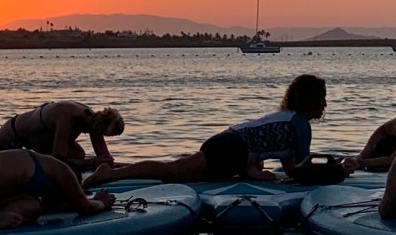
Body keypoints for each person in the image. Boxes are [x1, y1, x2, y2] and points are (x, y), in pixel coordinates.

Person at [90, 74, 329, 186]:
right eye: (322, 99)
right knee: (172, 171)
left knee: (178, 172)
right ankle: (109, 174)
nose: (325, 104)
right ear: (310, 100)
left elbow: (290, 167)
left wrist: (255, 171)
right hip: (230, 149)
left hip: (231, 147)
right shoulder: (300, 124)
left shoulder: (289, 120)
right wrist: (336, 170)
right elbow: (302, 168)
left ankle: (118, 169)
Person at [0, 99, 125, 174]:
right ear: (99, 126)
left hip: (41, 142)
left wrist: (132, 168)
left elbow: (105, 159)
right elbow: (58, 160)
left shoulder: (93, 120)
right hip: (15, 132)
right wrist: (92, 163)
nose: (99, 137)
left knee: (78, 154)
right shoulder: (68, 117)